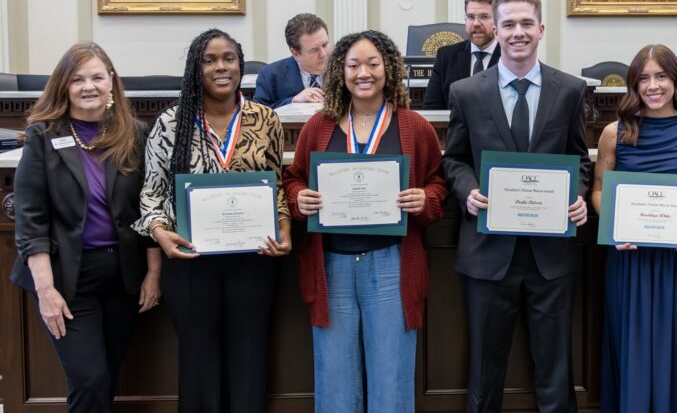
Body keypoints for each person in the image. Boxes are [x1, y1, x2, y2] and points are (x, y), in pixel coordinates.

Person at [442, 0, 592, 412]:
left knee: (555, 369)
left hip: (551, 255)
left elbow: (579, 159)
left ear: (541, 29)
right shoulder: (466, 92)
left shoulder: (570, 90)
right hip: (488, 253)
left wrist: (579, 195)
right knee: (484, 370)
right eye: (508, 23)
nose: (517, 32)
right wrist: (468, 190)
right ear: (495, 28)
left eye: (527, 23)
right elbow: (454, 160)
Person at [283, 30, 448, 412]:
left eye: (373, 64)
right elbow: (293, 179)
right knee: (335, 374)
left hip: (392, 263)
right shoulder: (319, 126)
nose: (363, 73)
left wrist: (426, 198)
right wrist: (298, 198)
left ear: (388, 68)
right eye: (353, 64)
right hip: (332, 266)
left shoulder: (414, 126)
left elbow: (438, 185)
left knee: (392, 373)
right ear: (340, 71)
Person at [135, 29, 291, 413]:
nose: (221, 67)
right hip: (190, 262)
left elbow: (277, 188)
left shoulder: (265, 118)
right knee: (198, 361)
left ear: (241, 64)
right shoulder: (172, 123)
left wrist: (284, 231)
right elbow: (151, 195)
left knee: (249, 358)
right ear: (195, 68)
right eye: (210, 59)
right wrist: (160, 233)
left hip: (254, 258)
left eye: (229, 58)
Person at [10, 42, 161, 412]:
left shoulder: (134, 134)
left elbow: (149, 205)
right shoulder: (43, 137)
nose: (88, 86)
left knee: (106, 377)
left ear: (112, 82)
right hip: (67, 281)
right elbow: (31, 222)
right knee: (89, 379)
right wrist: (46, 291)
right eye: (77, 79)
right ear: (64, 85)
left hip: (124, 278)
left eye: (97, 77)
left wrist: (154, 273)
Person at [591, 44, 677, 412]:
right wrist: (615, 226)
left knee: (676, 343)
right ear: (633, 85)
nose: (653, 86)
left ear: (675, 80)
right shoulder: (614, 132)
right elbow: (598, 190)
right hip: (629, 258)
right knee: (631, 342)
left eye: (661, 76)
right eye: (643, 78)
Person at [422, 0, 501, 109]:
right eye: (470, 17)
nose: (476, 23)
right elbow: (432, 107)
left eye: (484, 17)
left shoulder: (509, 56)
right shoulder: (446, 56)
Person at [254, 12, 332, 108]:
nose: (324, 54)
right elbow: (258, 114)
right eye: (314, 50)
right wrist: (293, 100)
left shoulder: (344, 70)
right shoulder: (270, 75)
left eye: (325, 45)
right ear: (295, 54)